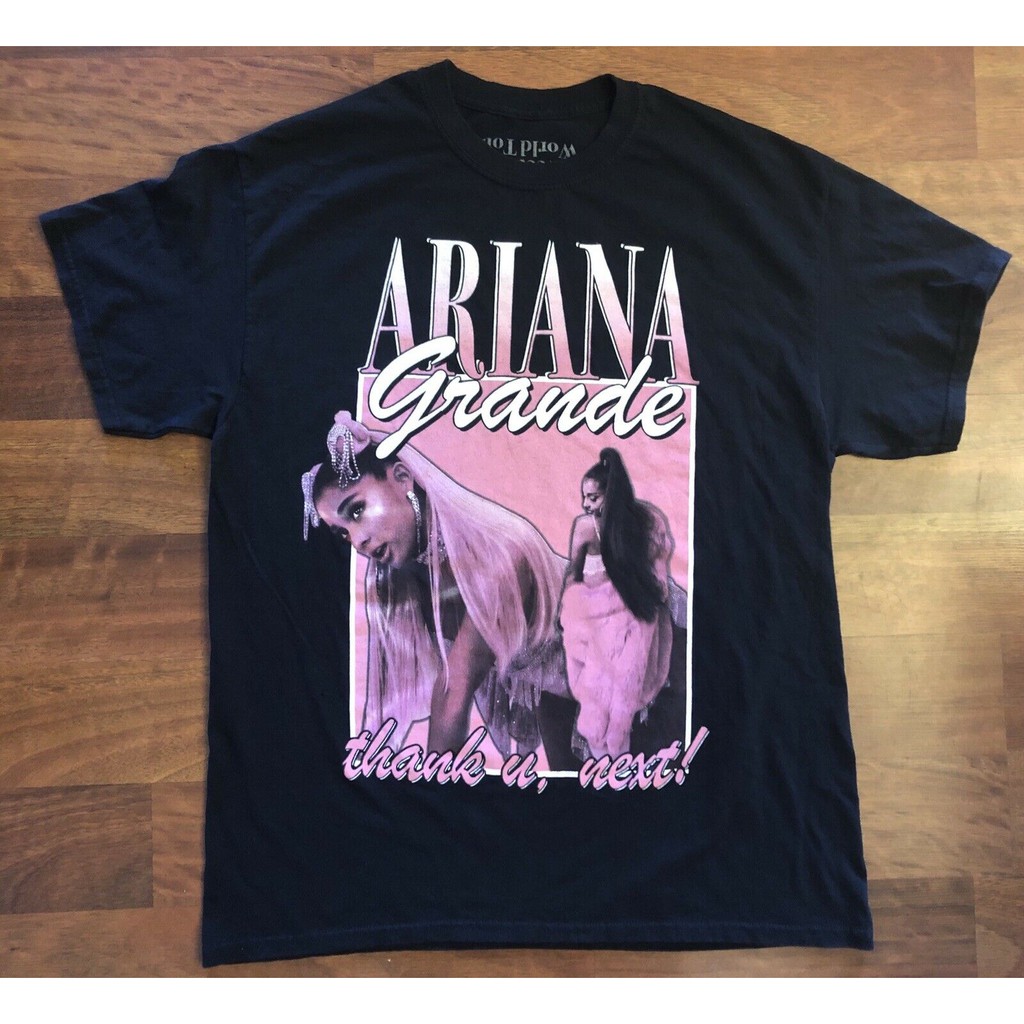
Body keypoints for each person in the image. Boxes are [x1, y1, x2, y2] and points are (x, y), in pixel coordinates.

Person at [301, 410, 577, 762]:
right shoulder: (401, 581)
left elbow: (453, 690)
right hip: (561, 694)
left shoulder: (498, 555)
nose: (357, 541)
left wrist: (427, 785)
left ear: (403, 478)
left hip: (633, 666)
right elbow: (388, 711)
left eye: (356, 511)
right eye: (342, 534)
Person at [558, 448, 680, 760]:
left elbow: (657, 584)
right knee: (598, 703)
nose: (586, 505)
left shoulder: (646, 522)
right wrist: (575, 612)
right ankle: (609, 755)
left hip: (632, 627)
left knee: (620, 687)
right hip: (593, 627)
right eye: (584, 497)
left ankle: (617, 751)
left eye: (593, 497)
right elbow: (573, 577)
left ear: (610, 495)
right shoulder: (585, 528)